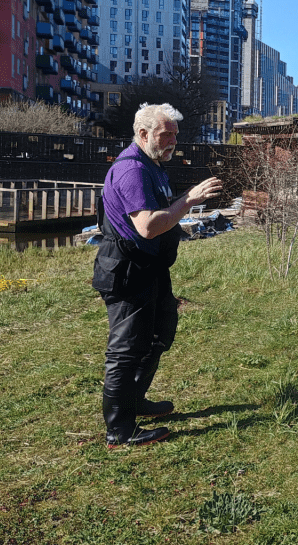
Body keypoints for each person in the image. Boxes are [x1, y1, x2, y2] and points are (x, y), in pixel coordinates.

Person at [91, 102, 223, 447]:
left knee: (159, 333)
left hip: (149, 269)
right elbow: (148, 226)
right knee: (126, 349)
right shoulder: (132, 170)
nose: (172, 142)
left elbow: (162, 214)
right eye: (166, 135)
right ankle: (119, 430)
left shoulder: (153, 165)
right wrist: (190, 200)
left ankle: (135, 401)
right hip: (127, 270)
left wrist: (182, 202)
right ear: (143, 133)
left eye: (175, 136)